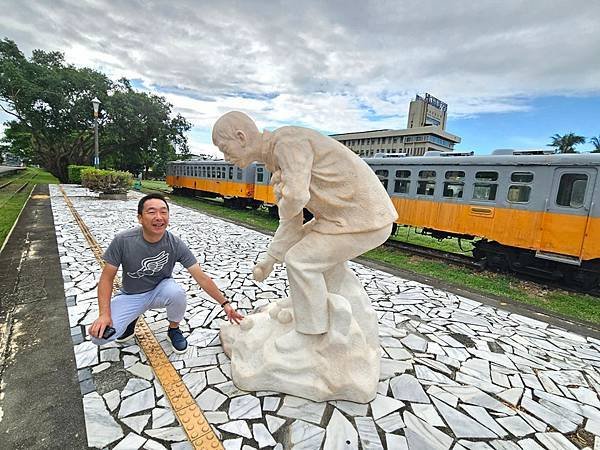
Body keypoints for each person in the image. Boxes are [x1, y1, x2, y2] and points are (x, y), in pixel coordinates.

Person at [212, 111, 397, 347]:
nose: (225, 156)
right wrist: (270, 259)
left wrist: (285, 198)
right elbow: (292, 220)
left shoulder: (287, 143)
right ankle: (308, 305)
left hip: (363, 219)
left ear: (241, 137)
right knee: (303, 252)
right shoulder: (277, 158)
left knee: (300, 260)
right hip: (341, 219)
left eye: (225, 148)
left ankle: (310, 334)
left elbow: (297, 199)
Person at [89, 193, 243, 353]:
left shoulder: (175, 244)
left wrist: (225, 304)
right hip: (131, 295)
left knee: (177, 292)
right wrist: (104, 314)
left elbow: (201, 277)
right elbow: (106, 279)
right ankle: (132, 319)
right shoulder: (123, 240)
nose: (158, 217)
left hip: (160, 291)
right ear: (140, 218)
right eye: (151, 212)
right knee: (99, 337)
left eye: (163, 212)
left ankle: (173, 329)